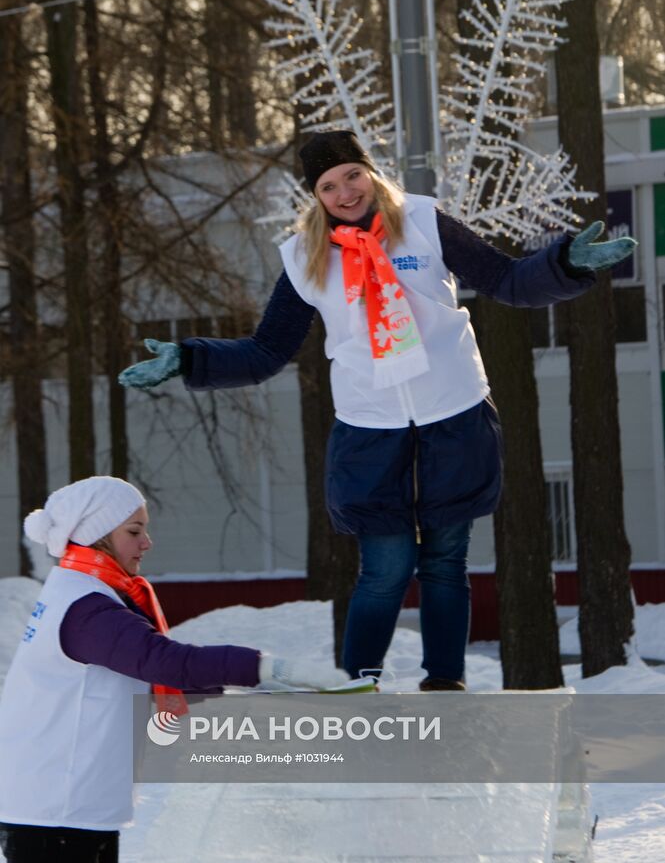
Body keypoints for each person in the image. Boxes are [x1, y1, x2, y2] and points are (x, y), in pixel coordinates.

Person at [118, 130, 636, 693]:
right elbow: (267, 350)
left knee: (445, 561)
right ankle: (358, 686)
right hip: (371, 427)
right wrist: (190, 359)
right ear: (316, 196)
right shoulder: (305, 256)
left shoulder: (423, 222)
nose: (345, 192)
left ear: (370, 172)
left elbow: (506, 280)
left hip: (453, 412)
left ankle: (445, 685)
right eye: (328, 186)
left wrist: (565, 264)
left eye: (352, 176)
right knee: (386, 568)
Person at [0, 476, 348, 863]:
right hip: (57, 811)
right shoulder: (88, 609)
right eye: (134, 531)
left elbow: (145, 677)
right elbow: (169, 663)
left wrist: (268, 691)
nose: (147, 543)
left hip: (61, 803)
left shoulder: (80, 592)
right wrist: (271, 668)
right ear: (97, 536)